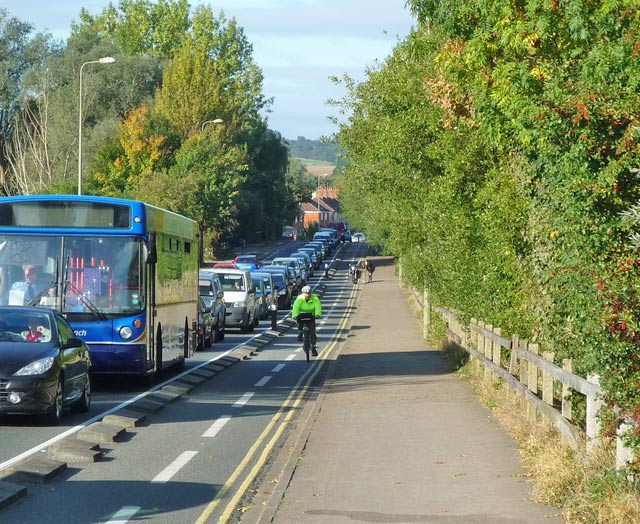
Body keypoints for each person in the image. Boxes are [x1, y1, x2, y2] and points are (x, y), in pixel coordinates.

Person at [291, 284, 322, 356]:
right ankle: (300, 332)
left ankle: (313, 348)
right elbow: (295, 307)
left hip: (311, 316)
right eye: (306, 293)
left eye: (309, 293)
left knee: (312, 333)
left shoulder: (315, 298)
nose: (307, 295)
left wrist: (318, 315)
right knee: (299, 324)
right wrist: (294, 316)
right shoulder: (299, 299)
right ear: (303, 293)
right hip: (301, 315)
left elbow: (318, 307)